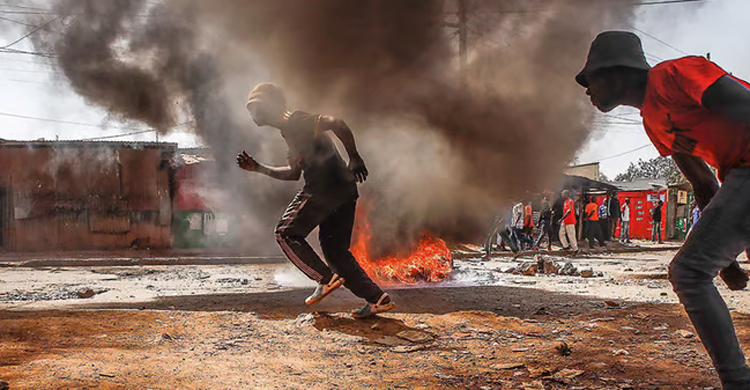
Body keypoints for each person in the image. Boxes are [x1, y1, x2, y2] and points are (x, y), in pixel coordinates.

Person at [576, 30, 750, 388]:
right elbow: (702, 183)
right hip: (739, 175)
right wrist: (726, 261)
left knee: (688, 273)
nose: (586, 89)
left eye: (590, 78)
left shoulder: (675, 75)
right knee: (695, 270)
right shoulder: (653, 122)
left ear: (615, 72)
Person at [237, 82, 393, 319]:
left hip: (325, 188)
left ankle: (325, 279)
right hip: (343, 191)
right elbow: (292, 174)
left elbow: (337, 123)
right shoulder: (288, 133)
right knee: (335, 252)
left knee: (285, 232)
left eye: (253, 106)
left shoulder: (295, 121)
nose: (251, 112)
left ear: (269, 104)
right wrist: (258, 168)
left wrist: (355, 157)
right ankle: (377, 299)